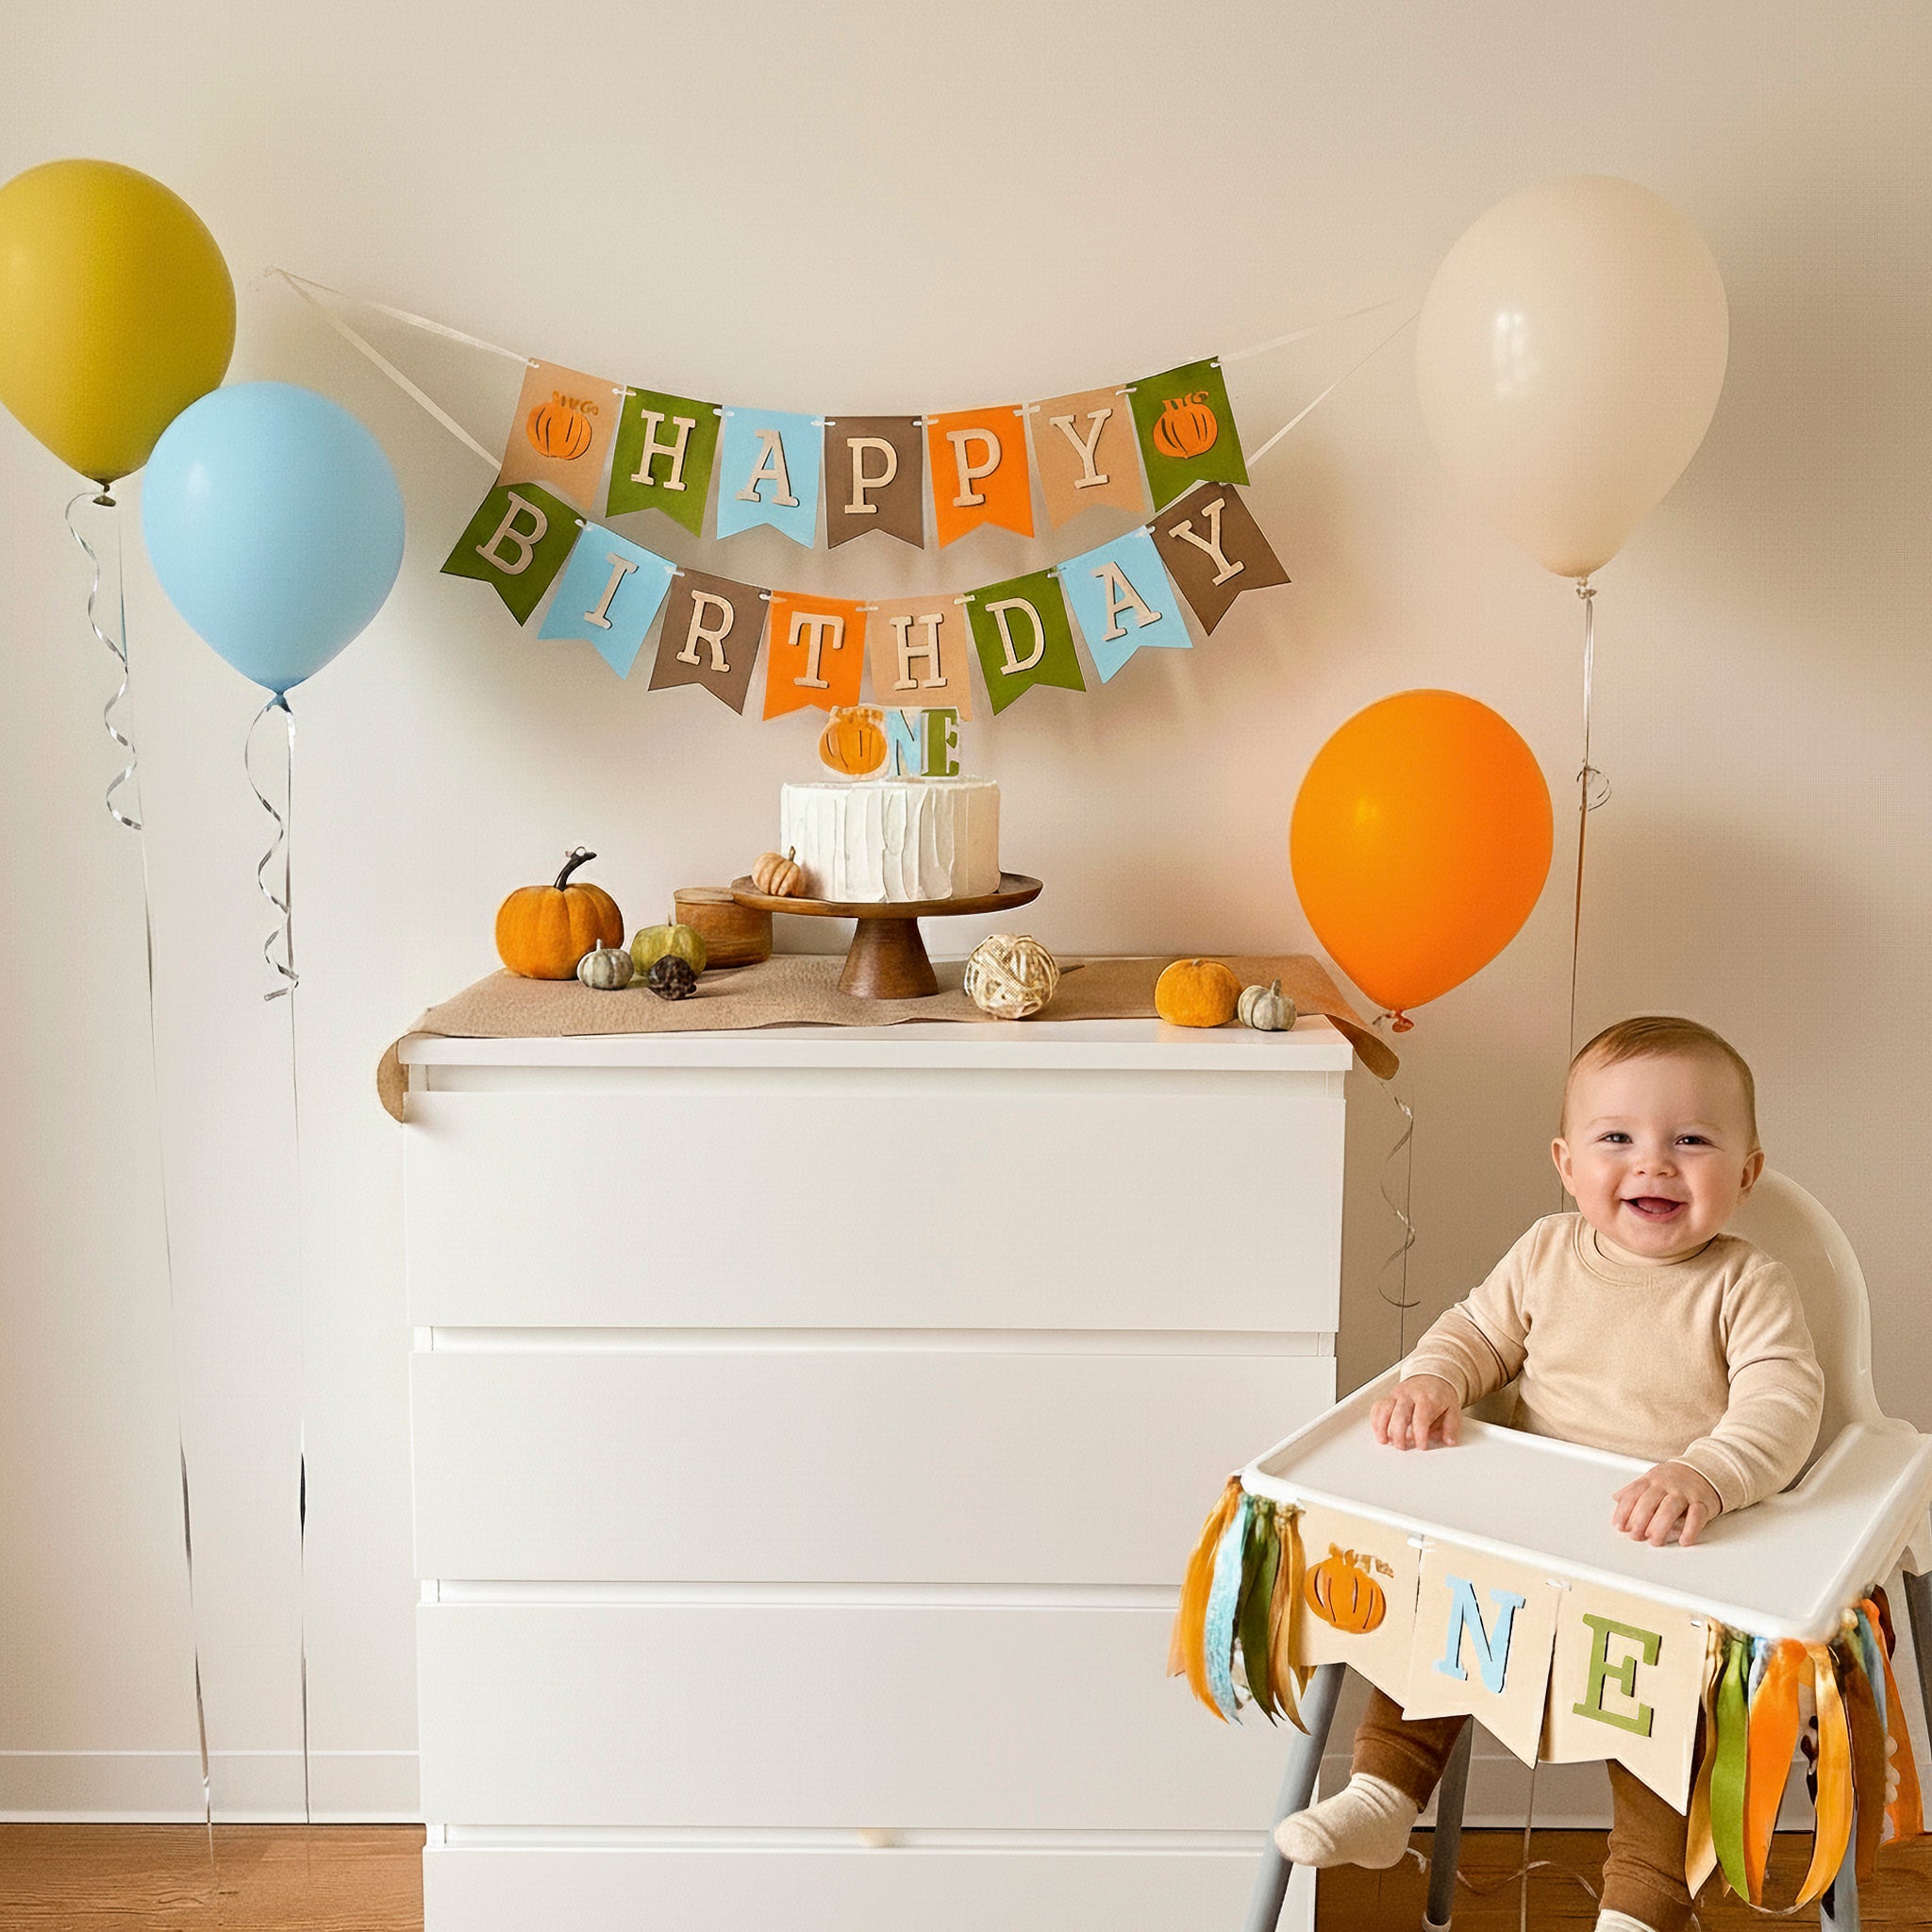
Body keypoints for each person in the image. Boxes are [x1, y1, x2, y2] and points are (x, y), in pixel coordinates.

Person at [1276, 1015, 1824, 1932]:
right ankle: (1381, 1790)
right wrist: (1432, 1378)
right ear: (1567, 1164)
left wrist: (1705, 1470)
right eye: (1617, 1138)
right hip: (1528, 1546)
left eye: (1689, 1140)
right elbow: (1475, 1332)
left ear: (1745, 1172)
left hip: (1661, 1558)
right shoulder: (1543, 1253)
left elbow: (1781, 1404)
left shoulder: (1744, 1284)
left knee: (1666, 1717)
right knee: (1429, 1610)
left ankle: (1639, 1900)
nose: (1651, 1163)